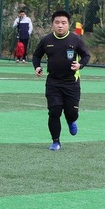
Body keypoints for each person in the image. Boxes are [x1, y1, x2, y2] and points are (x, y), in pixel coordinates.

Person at [32, 10, 91, 151]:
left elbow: (86, 55)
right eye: (57, 22)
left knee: (71, 113)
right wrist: (37, 67)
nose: (60, 25)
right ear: (52, 24)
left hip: (72, 83)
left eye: (63, 23)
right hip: (53, 83)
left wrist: (80, 65)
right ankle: (56, 141)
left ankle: (71, 120)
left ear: (68, 25)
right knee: (54, 112)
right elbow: (36, 56)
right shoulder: (46, 40)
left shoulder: (75, 39)